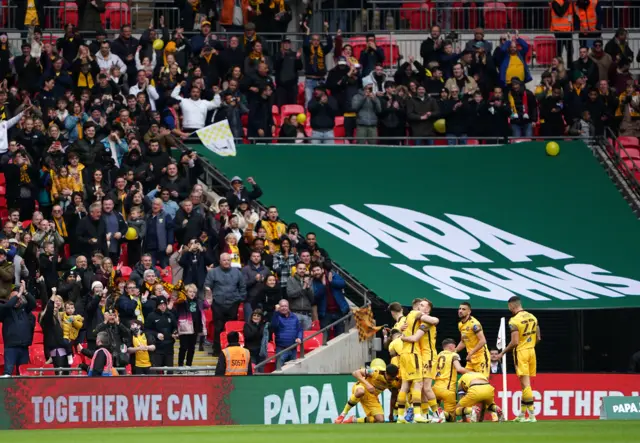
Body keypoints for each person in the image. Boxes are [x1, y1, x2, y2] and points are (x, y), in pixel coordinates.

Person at [497, 296, 541, 422]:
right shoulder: (533, 317)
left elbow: (515, 341)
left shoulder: (513, 321)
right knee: (524, 385)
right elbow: (538, 338)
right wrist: (529, 345)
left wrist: (502, 353)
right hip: (531, 351)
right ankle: (522, 414)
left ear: (511, 306)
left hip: (521, 352)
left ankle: (532, 415)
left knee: (525, 384)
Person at [400, 298, 442, 422]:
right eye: (420, 305)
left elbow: (415, 338)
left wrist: (403, 337)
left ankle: (439, 415)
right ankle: (425, 415)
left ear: (428, 309)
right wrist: (403, 329)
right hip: (420, 355)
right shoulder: (418, 320)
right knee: (421, 387)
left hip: (428, 356)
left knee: (426, 387)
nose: (420, 307)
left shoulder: (427, 322)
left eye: (423, 306)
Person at [204, 253, 247, 356]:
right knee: (218, 327)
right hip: (218, 303)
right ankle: (217, 350)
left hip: (233, 303)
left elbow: (242, 286)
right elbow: (207, 285)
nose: (226, 262)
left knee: (231, 328)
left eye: (228, 260)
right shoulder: (213, 272)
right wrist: (210, 298)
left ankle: (231, 349)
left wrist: (240, 299)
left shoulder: (237, 272)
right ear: (220, 261)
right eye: (224, 260)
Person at [394, 298, 428, 424]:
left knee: (404, 386)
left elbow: (400, 332)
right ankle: (418, 414)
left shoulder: (407, 318)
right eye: (423, 306)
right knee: (418, 383)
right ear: (417, 306)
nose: (424, 308)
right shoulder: (415, 314)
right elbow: (433, 321)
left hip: (404, 354)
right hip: (413, 353)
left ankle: (400, 417)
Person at [335, 359, 400, 424]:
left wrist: (391, 413)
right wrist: (368, 385)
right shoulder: (376, 372)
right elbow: (355, 373)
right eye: (390, 378)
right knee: (361, 391)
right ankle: (343, 414)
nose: (391, 380)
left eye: (393, 378)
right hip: (361, 386)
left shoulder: (395, 382)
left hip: (372, 397)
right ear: (386, 373)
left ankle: (354, 420)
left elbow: (394, 397)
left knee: (380, 420)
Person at [0, 281, 35, 376]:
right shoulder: (5, 310)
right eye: (14, 299)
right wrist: (18, 294)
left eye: (19, 299)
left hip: (24, 347)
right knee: (8, 372)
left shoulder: (25, 310)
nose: (17, 300)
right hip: (11, 347)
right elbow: (8, 305)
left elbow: (33, 303)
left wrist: (25, 292)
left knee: (23, 373)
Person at [433, 338, 468, 422]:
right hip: (448, 389)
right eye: (454, 346)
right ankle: (443, 413)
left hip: (435, 388)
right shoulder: (453, 355)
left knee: (436, 414)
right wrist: (471, 372)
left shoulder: (438, 355)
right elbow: (459, 369)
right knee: (451, 418)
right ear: (451, 346)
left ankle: (438, 413)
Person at [310, 263, 348, 340]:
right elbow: (316, 296)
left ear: (322, 270)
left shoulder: (332, 275)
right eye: (314, 271)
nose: (316, 272)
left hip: (339, 311)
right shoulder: (313, 282)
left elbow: (343, 284)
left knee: (340, 337)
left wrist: (331, 282)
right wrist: (323, 286)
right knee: (325, 338)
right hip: (325, 313)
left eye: (318, 270)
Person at [175, 284, 207, 367]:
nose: (192, 294)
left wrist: (208, 292)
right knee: (183, 347)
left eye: (194, 292)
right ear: (186, 293)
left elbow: (208, 304)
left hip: (195, 327)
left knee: (191, 348)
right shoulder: (181, 301)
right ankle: (180, 366)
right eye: (190, 292)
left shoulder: (198, 302)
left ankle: (189, 365)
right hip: (184, 328)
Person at [456, 302, 490, 377]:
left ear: (469, 312)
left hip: (481, 357)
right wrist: (454, 351)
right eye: (459, 309)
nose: (460, 311)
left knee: (482, 381)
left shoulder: (474, 324)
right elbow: (463, 341)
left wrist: (471, 353)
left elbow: (483, 341)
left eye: (463, 309)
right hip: (471, 359)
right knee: (465, 380)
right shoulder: (460, 324)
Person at [144, 296, 178, 371]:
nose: (163, 306)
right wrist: (156, 334)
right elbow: (146, 330)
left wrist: (175, 333)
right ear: (157, 305)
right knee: (157, 370)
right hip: (157, 347)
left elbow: (175, 327)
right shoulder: (151, 316)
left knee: (170, 370)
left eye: (164, 305)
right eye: (160, 305)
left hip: (169, 347)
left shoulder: (170, 315)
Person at [270, 299, 302, 367]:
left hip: (293, 348)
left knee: (293, 370)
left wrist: (299, 337)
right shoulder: (276, 316)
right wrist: (276, 312)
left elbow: (299, 329)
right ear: (279, 307)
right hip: (281, 349)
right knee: (279, 369)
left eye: (286, 306)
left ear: (288, 307)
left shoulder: (294, 317)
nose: (284, 308)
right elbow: (273, 326)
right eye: (282, 306)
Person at [286, 262, 315, 331]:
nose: (302, 270)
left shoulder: (309, 280)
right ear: (296, 269)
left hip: (307, 315)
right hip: (295, 314)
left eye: (304, 269)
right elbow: (290, 294)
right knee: (294, 337)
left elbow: (312, 299)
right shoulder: (291, 279)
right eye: (300, 268)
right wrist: (304, 287)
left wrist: (308, 288)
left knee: (307, 338)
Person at [551, 0, 574, 64]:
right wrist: (567, 2)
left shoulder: (569, 2)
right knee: (559, 51)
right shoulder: (555, 2)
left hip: (568, 30)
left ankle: (570, 67)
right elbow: (560, 13)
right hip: (559, 30)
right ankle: (559, 68)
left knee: (570, 50)